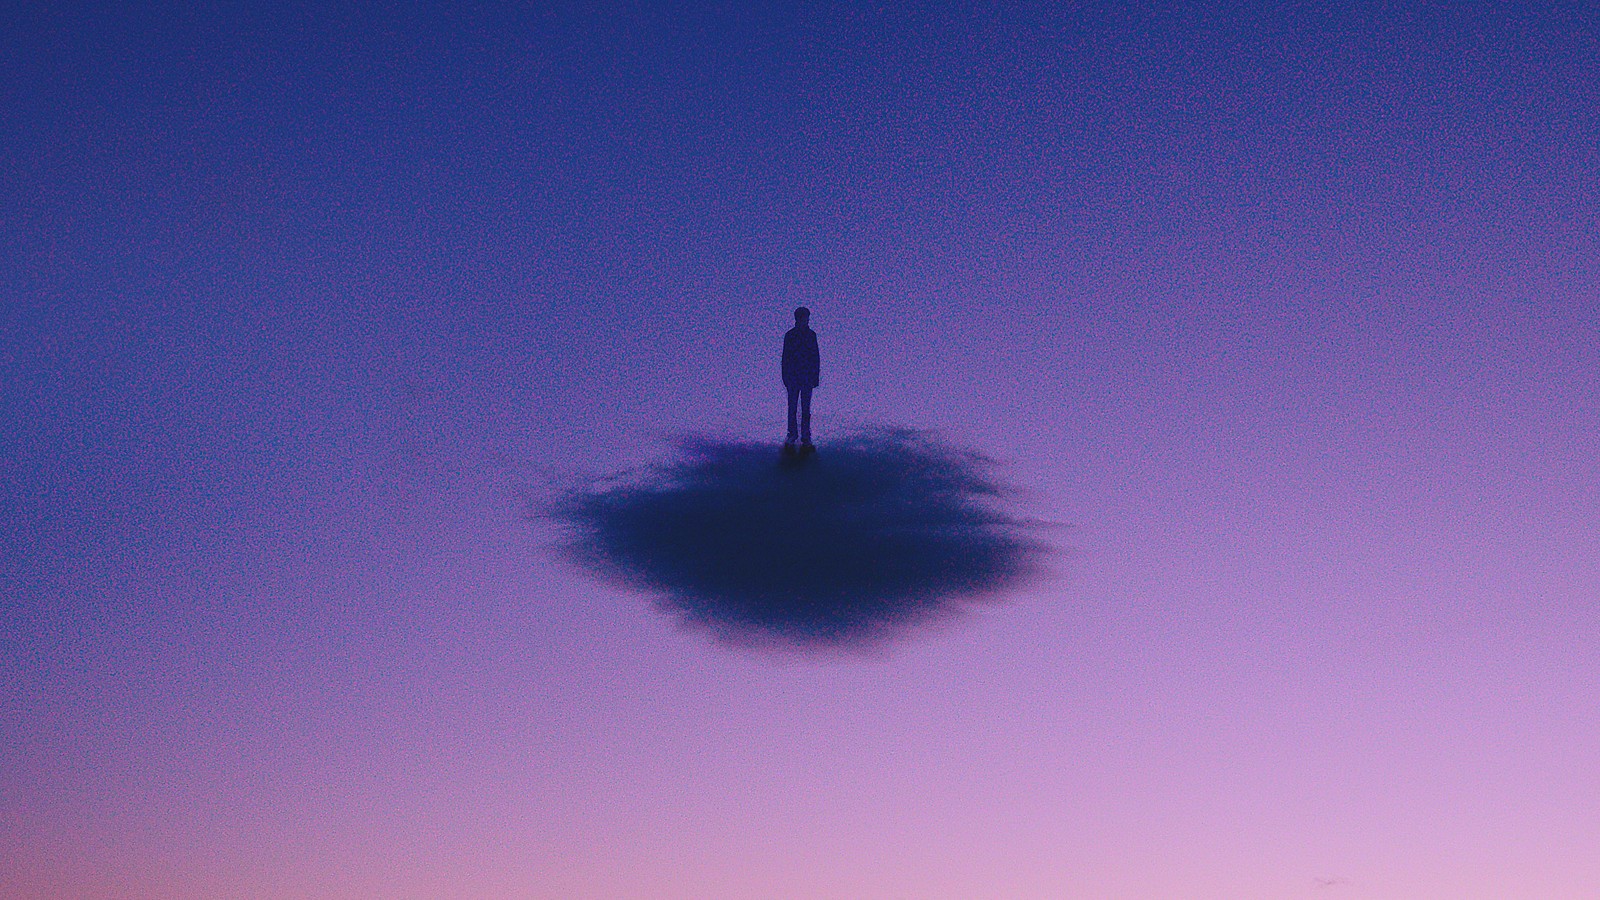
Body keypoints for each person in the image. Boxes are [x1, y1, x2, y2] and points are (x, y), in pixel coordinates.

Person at [782, 306, 820, 448]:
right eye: (804, 317)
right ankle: (792, 434)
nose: (806, 320)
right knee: (792, 406)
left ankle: (805, 435)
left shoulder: (811, 335)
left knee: (805, 407)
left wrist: (815, 376)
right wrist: (785, 376)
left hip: (806, 377)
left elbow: (815, 356)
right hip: (793, 376)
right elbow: (785, 357)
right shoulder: (790, 335)